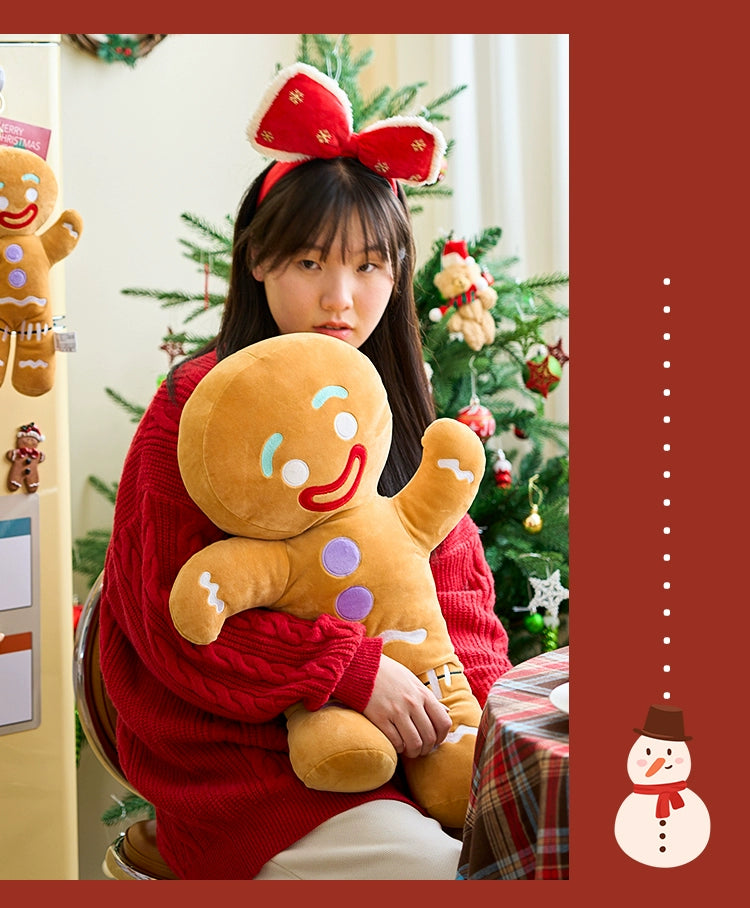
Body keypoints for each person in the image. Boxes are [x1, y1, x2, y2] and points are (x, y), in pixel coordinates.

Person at [98, 62, 512, 881]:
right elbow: (172, 615)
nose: (341, 299)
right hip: (251, 773)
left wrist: (478, 731)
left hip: (414, 756)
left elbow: (456, 600)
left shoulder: (398, 409)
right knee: (455, 878)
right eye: (311, 264)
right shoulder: (197, 407)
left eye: (370, 268)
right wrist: (348, 670)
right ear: (258, 259)